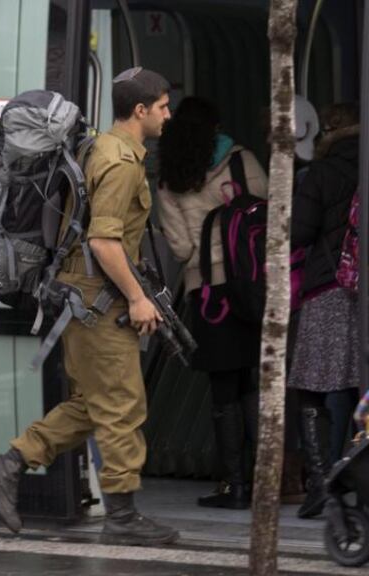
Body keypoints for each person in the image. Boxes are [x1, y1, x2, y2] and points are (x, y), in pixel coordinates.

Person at [0, 67, 179, 546]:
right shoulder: (121, 162)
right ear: (141, 110)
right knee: (123, 406)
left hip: (77, 298)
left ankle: (8, 464)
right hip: (96, 303)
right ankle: (123, 518)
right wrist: (137, 298)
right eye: (164, 107)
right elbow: (105, 242)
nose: (169, 115)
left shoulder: (96, 146)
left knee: (94, 404)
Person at [156, 97, 268, 509]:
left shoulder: (171, 177)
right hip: (252, 286)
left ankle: (234, 485)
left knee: (224, 389)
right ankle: (264, 482)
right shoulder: (242, 160)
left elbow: (183, 248)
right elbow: (270, 217)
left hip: (208, 294)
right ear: (217, 125)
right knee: (253, 381)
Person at [286, 102, 362, 519]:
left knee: (312, 385)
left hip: (329, 285)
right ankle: (361, 471)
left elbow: (300, 233)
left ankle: (320, 482)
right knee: (359, 385)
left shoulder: (322, 172)